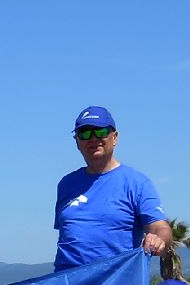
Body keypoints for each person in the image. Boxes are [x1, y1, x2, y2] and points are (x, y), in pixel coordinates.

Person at [53, 106, 173, 271]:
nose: (93, 138)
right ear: (77, 142)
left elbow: (161, 228)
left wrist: (159, 239)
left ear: (114, 137)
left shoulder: (137, 182)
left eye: (100, 132)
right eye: (85, 133)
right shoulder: (66, 184)